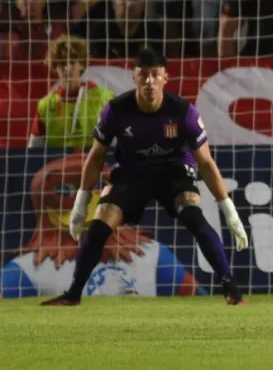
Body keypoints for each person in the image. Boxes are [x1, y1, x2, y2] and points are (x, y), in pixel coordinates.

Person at [40, 48, 250, 306]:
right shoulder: (116, 110)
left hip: (174, 172)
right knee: (98, 228)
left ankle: (230, 286)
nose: (149, 81)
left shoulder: (184, 112)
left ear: (165, 78)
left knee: (193, 215)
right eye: (143, 75)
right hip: (131, 174)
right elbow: (95, 157)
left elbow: (205, 163)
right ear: (134, 78)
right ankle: (73, 293)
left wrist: (229, 211)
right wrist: (80, 203)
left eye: (155, 75)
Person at [28, 35, 115, 148]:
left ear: (82, 64)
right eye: (62, 63)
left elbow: (117, 143)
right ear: (55, 67)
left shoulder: (105, 98)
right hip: (56, 164)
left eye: (72, 62)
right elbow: (33, 151)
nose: (67, 68)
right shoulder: (45, 105)